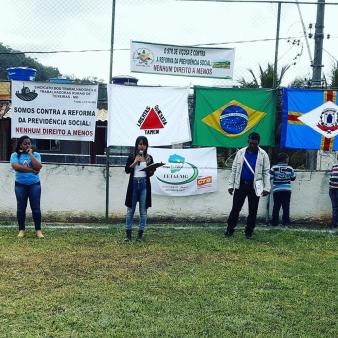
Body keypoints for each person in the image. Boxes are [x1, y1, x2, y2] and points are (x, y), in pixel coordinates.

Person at [224, 132, 270, 239]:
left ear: (258, 143)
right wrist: (231, 185)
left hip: (255, 187)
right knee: (235, 209)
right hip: (240, 185)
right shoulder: (240, 153)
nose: (253, 146)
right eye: (251, 143)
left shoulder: (263, 154)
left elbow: (266, 172)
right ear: (248, 141)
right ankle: (229, 231)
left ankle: (249, 232)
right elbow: (234, 170)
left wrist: (267, 187)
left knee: (253, 211)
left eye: (255, 144)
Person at [10, 135, 44, 239]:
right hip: (20, 185)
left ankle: (38, 230)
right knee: (21, 208)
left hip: (34, 184)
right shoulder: (15, 155)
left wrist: (31, 155)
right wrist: (31, 170)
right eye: (25, 144)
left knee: (36, 208)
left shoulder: (36, 154)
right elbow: (16, 166)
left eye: (29, 143)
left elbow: (38, 166)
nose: (27, 145)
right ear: (20, 145)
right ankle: (21, 230)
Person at [124, 136, 156, 242]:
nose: (142, 146)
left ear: (146, 146)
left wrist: (152, 170)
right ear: (137, 145)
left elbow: (150, 174)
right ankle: (128, 235)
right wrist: (135, 161)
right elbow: (127, 170)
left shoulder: (149, 158)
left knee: (143, 211)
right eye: (140, 144)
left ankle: (140, 235)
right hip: (133, 184)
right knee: (130, 211)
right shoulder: (132, 156)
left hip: (144, 185)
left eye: (144, 144)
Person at [269, 153, 296, 227]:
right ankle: (286, 223)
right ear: (286, 159)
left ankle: (274, 223)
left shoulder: (274, 168)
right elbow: (293, 177)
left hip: (277, 189)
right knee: (286, 206)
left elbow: (270, 177)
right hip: (287, 189)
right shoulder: (290, 168)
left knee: (276, 206)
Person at [329, 161, 338, 229]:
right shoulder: (334, 166)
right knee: (334, 207)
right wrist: (330, 186)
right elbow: (331, 176)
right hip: (332, 189)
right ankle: (334, 224)